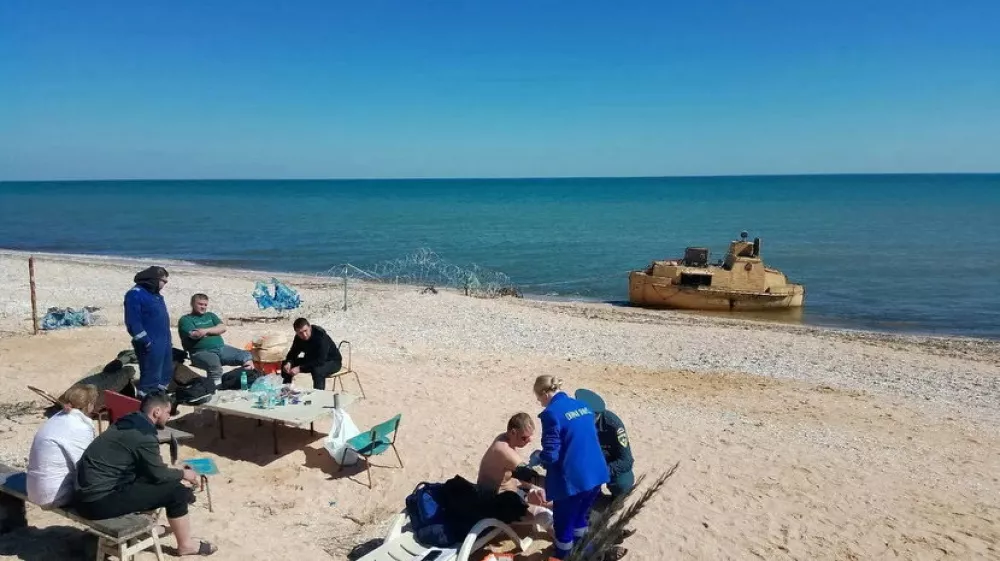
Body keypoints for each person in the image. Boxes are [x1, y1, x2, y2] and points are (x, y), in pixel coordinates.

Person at [74, 392, 217, 556]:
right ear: (156, 412)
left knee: (160, 482)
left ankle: (149, 527)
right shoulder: (144, 436)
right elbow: (158, 475)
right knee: (176, 492)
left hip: (84, 495)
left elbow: (147, 468)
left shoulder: (127, 421)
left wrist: (174, 471)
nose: (169, 417)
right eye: (168, 412)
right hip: (98, 503)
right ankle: (186, 545)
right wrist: (184, 474)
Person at [532, 375, 609, 560]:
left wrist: (537, 457)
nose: (541, 403)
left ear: (545, 393)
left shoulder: (551, 414)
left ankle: (564, 556)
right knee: (580, 519)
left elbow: (551, 454)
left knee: (563, 527)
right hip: (596, 474)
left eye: (539, 398)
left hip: (573, 481)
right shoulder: (583, 406)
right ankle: (588, 554)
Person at [575, 388, 637, 543]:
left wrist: (603, 472)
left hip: (609, 464)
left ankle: (614, 502)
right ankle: (609, 533)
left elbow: (627, 461)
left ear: (597, 416)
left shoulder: (613, 425)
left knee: (624, 483)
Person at [26, 384, 98, 509]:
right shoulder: (80, 427)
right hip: (53, 496)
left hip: (33, 489)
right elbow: (85, 466)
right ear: (90, 405)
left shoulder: (56, 418)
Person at [477, 413, 553, 528]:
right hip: (494, 502)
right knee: (545, 516)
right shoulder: (503, 450)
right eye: (524, 438)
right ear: (513, 432)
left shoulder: (505, 438)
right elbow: (529, 476)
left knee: (549, 500)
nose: (529, 440)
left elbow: (516, 475)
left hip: (511, 490)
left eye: (530, 436)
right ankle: (567, 544)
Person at [178, 293, 254, 386]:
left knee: (246, 356)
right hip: (200, 352)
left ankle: (246, 382)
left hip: (221, 348)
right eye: (200, 304)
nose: (203, 307)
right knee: (215, 366)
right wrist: (214, 331)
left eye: (205, 305)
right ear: (192, 304)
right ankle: (215, 388)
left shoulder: (210, 315)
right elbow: (195, 334)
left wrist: (206, 331)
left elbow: (222, 328)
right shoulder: (186, 319)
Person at [124, 266, 173, 396]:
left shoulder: (156, 295)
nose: (164, 284)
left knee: (165, 373)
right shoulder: (135, 294)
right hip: (150, 343)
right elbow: (133, 322)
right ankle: (145, 402)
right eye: (163, 281)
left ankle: (159, 399)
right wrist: (145, 341)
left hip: (164, 341)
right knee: (151, 376)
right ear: (154, 279)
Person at [281, 318, 343, 390]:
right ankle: (286, 390)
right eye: (300, 333)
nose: (304, 335)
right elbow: (293, 353)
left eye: (305, 331)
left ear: (310, 327)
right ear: (296, 333)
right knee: (287, 363)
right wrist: (289, 362)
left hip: (332, 362)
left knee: (317, 370)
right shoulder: (298, 338)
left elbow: (320, 360)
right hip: (311, 360)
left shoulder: (321, 336)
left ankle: (318, 396)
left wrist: (300, 368)